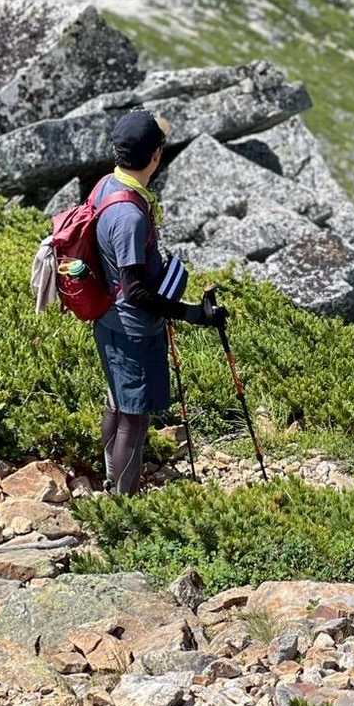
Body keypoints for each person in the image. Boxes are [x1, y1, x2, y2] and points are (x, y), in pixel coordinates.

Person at [92, 109, 225, 494]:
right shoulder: (129, 216)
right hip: (133, 331)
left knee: (118, 402)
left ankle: (110, 481)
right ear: (155, 156)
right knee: (134, 417)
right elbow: (135, 291)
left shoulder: (106, 185)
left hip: (109, 320)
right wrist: (192, 314)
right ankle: (124, 502)